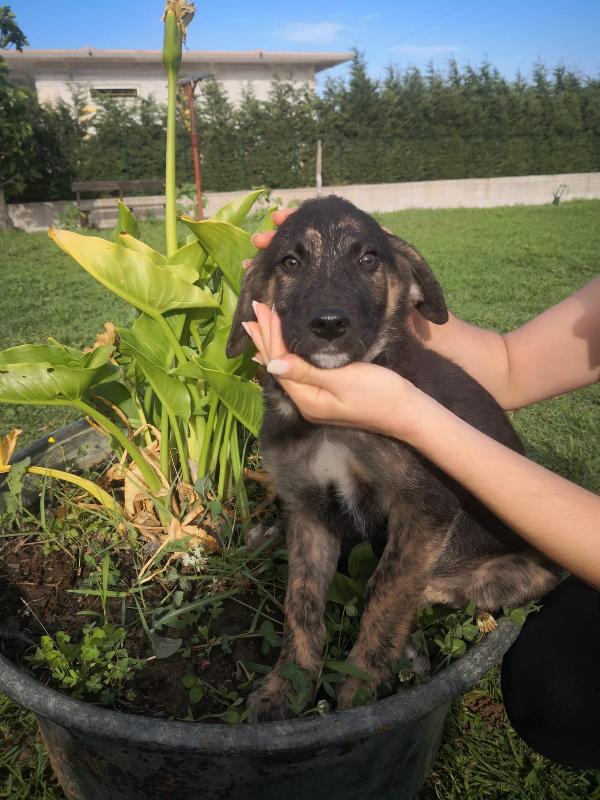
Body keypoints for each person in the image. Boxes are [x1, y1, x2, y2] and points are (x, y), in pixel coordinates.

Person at [243, 209, 600, 770]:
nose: (329, 307)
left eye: (366, 264)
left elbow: (424, 514)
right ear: (258, 294)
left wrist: (372, 652)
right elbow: (510, 364)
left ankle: (378, 654)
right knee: (309, 519)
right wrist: (375, 248)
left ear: (402, 282)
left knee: (561, 689)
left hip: (492, 559)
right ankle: (300, 663)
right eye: (292, 263)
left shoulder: (401, 386)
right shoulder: (302, 403)